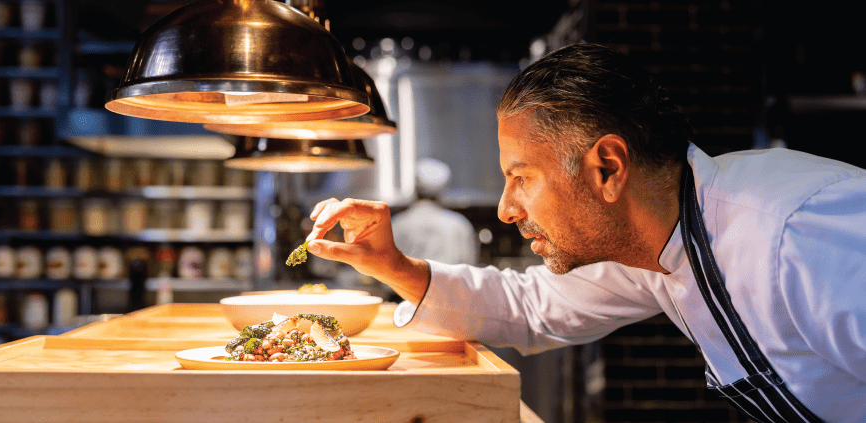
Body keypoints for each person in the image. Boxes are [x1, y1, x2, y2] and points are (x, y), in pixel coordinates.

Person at [302, 43, 866, 423]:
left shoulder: (798, 231)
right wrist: (393, 266)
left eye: (522, 178)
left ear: (607, 169)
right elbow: (531, 308)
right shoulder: (655, 245)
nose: (506, 209)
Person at [391, 158, 480, 266]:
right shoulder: (459, 225)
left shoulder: (397, 224)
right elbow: (469, 267)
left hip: (405, 278)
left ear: (415, 188)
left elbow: (386, 266)